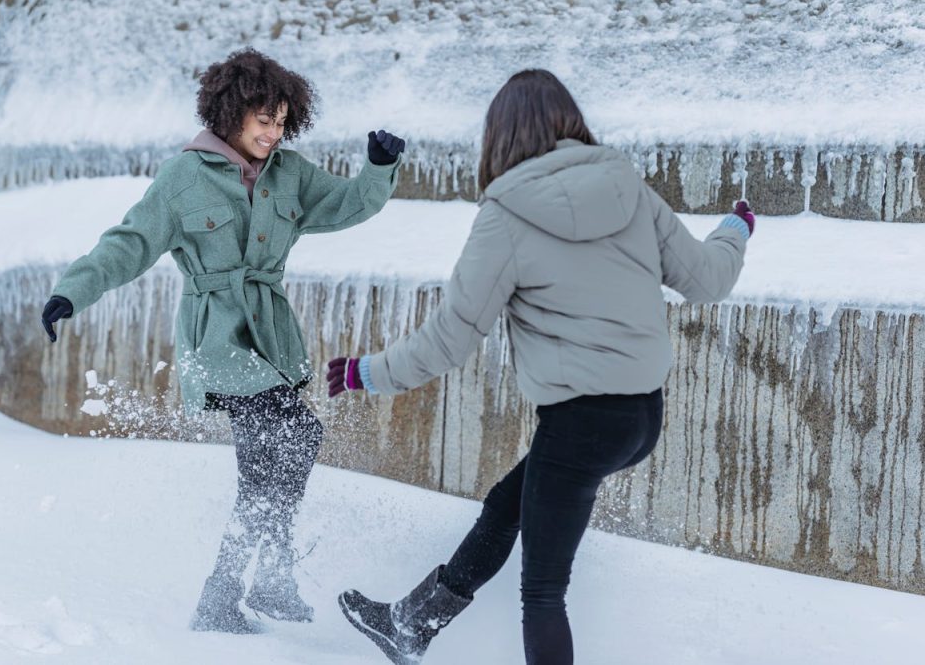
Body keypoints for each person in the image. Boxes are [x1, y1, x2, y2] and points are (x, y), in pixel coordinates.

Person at [326, 69, 752, 665]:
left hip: (579, 424)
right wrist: (735, 229)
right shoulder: (626, 187)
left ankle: (413, 626)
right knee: (507, 505)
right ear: (569, 120)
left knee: (544, 594)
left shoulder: (505, 216)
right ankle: (413, 624)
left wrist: (365, 373)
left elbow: (451, 337)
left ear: (499, 136)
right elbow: (708, 278)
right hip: (641, 418)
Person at [40, 48, 406, 633]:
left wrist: (377, 168)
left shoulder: (289, 173)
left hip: (271, 339)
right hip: (216, 339)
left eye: (282, 122)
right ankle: (263, 577)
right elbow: (129, 242)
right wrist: (72, 292)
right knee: (294, 435)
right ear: (231, 112)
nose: (273, 132)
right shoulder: (184, 177)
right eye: (264, 120)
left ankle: (238, 588)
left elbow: (344, 205)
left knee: (270, 459)